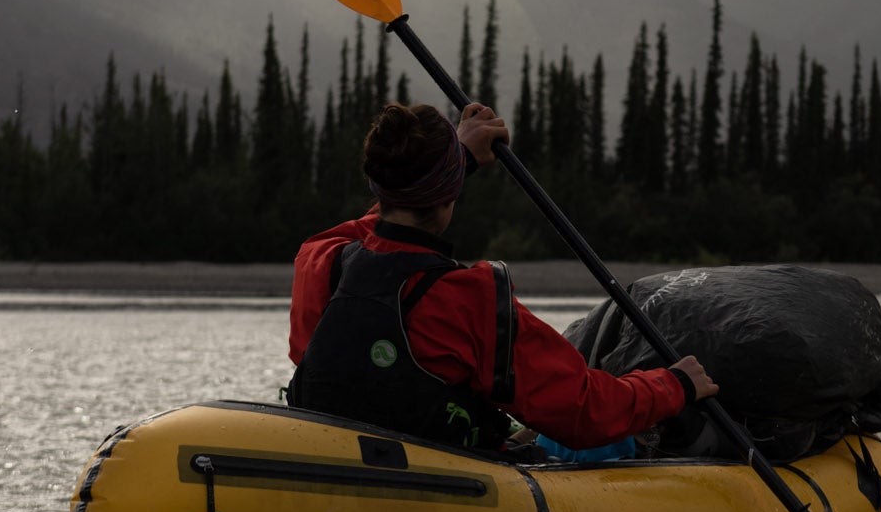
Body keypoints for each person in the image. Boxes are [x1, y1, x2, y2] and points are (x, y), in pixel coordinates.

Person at [287, 99, 718, 453]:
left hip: (332, 464)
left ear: (375, 183)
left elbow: (380, 229)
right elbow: (583, 411)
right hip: (437, 488)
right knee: (607, 445)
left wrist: (458, 159)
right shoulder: (467, 299)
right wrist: (674, 384)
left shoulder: (321, 262)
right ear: (449, 193)